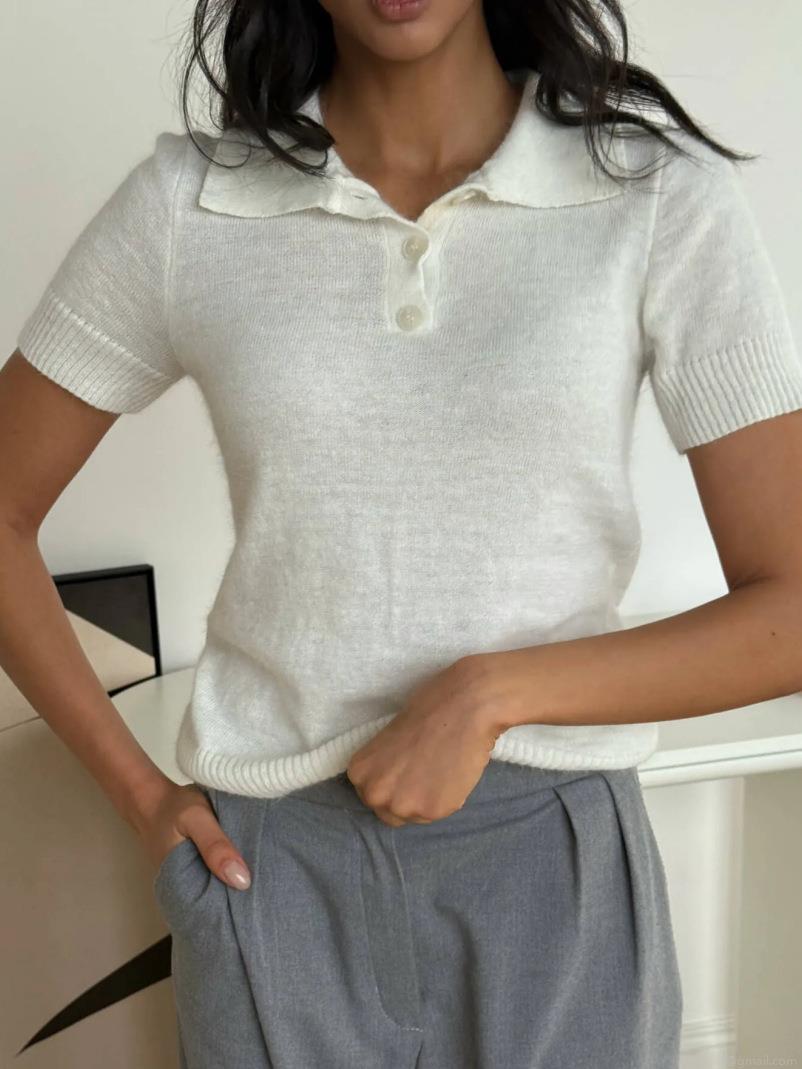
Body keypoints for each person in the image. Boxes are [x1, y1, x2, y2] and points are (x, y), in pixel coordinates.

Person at [3, 0, 802, 1065]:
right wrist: (140, 797)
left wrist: (491, 694)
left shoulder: (653, 196)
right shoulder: (190, 205)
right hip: (273, 873)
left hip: (552, 874)